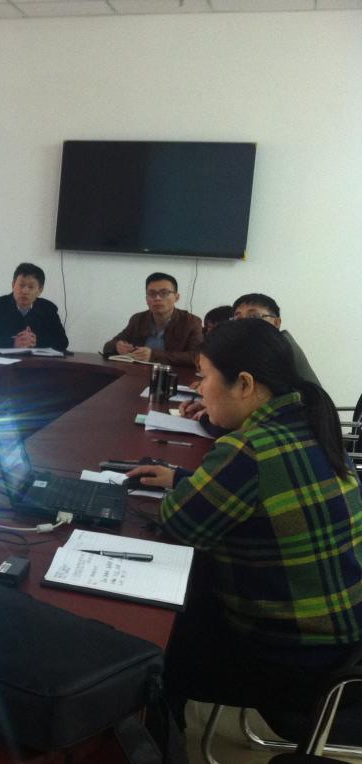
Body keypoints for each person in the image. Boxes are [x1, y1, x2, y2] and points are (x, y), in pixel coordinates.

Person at [127, 319, 362, 726]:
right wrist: (183, 478)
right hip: (344, 649)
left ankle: (160, 740)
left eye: (204, 377)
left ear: (244, 384)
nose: (199, 389)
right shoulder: (312, 425)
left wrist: (184, 487)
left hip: (296, 666)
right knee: (196, 592)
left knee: (152, 647)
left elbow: (177, 523)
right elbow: (264, 490)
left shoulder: (248, 448)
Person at [180, 293, 321, 423]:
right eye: (237, 317)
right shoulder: (255, 347)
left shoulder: (277, 349)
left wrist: (213, 414)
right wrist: (211, 403)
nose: (244, 322)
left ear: (276, 323)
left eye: (254, 316)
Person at [102, 273, 203, 367]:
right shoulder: (138, 319)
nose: (157, 298)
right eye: (152, 294)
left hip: (172, 376)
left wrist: (154, 355)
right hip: (137, 373)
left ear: (176, 297)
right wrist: (117, 346)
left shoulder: (191, 322)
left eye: (164, 293)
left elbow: (197, 357)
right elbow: (108, 346)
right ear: (146, 299)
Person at [0, 262, 69, 351]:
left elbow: (63, 342)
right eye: (21, 285)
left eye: (31, 287)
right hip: (3, 364)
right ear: (13, 285)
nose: (25, 291)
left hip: (37, 364)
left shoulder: (48, 309)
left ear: (40, 290)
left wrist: (36, 341)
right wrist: (12, 342)